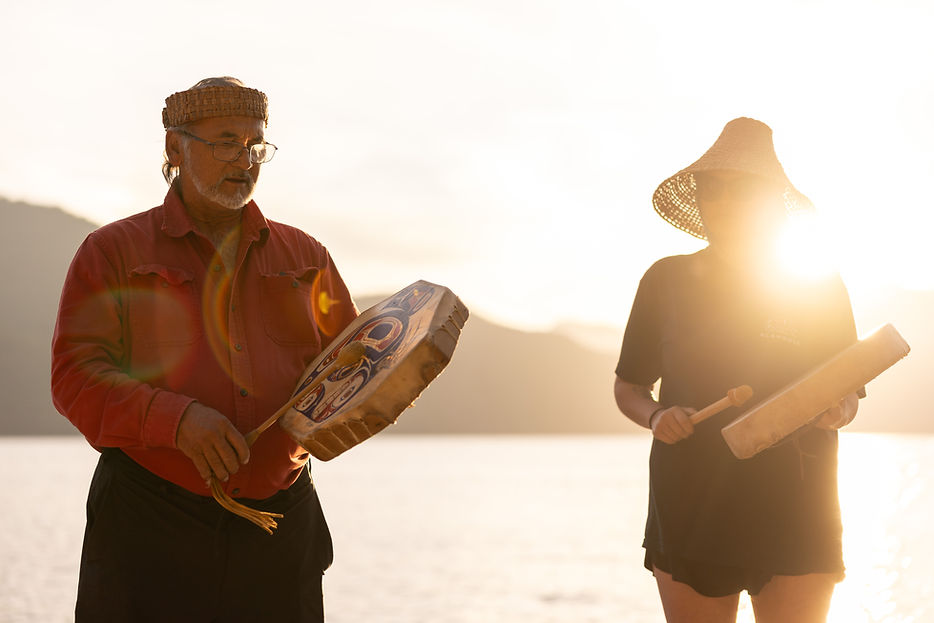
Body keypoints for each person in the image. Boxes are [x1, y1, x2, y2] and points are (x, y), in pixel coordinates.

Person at [51, 77, 358, 622]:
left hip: (280, 528)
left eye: (255, 144)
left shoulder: (308, 256)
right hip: (147, 525)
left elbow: (349, 371)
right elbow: (76, 376)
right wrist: (178, 420)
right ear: (175, 147)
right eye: (224, 142)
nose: (244, 159)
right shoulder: (111, 252)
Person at [613, 117, 861, 623]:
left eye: (741, 190)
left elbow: (849, 393)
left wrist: (838, 409)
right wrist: (657, 416)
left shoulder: (817, 281)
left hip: (799, 503)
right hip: (692, 501)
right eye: (712, 189)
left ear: (771, 200)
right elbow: (629, 387)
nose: (723, 202)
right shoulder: (666, 279)